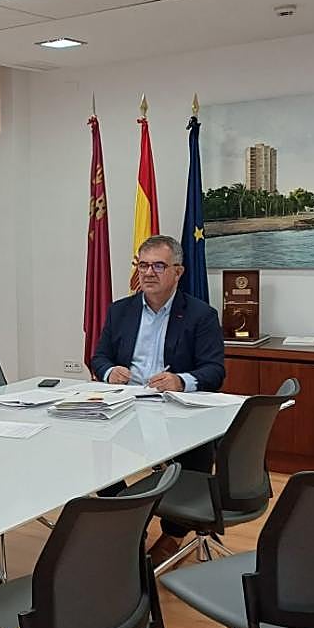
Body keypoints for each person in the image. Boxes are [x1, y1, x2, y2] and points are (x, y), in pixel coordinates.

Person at [90, 234, 226, 564]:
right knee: (93, 449)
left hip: (173, 410)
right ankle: (127, 519)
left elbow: (214, 370)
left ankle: (173, 533)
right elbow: (100, 356)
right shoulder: (120, 310)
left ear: (177, 272)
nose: (148, 273)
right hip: (126, 404)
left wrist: (181, 381)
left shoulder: (199, 315)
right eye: (143, 264)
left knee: (196, 448)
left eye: (158, 266)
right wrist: (110, 373)